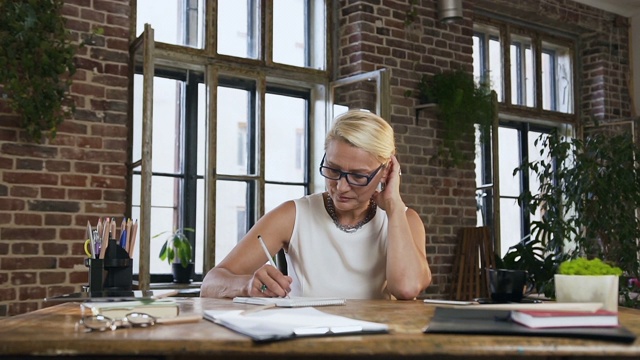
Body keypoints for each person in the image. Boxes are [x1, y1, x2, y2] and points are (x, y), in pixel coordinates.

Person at [201, 110, 432, 300]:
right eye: (333, 170)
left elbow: (406, 288)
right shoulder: (292, 215)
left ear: (386, 172)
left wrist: (393, 206)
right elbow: (211, 284)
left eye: (358, 176)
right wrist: (246, 284)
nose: (341, 187)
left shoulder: (404, 220)